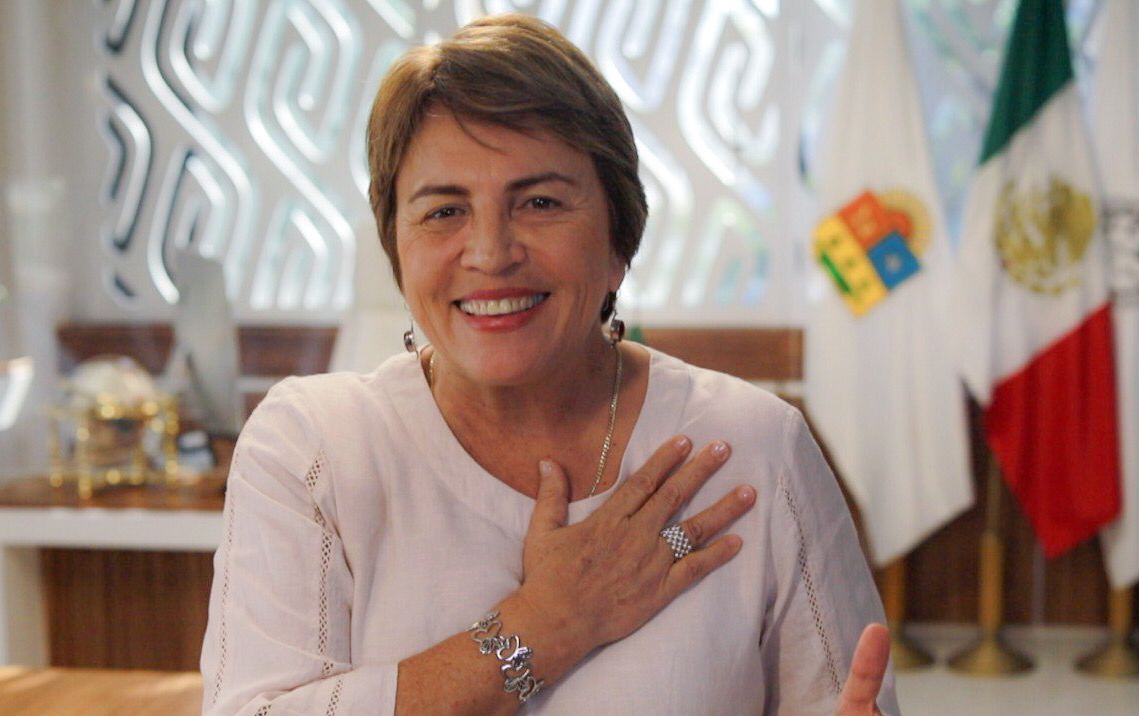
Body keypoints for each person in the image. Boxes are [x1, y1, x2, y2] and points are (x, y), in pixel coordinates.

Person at [200, 13, 899, 716]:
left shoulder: (754, 446)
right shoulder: (312, 448)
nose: (490, 253)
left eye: (539, 202)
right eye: (444, 211)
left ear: (619, 237)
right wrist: (548, 624)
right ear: (396, 248)